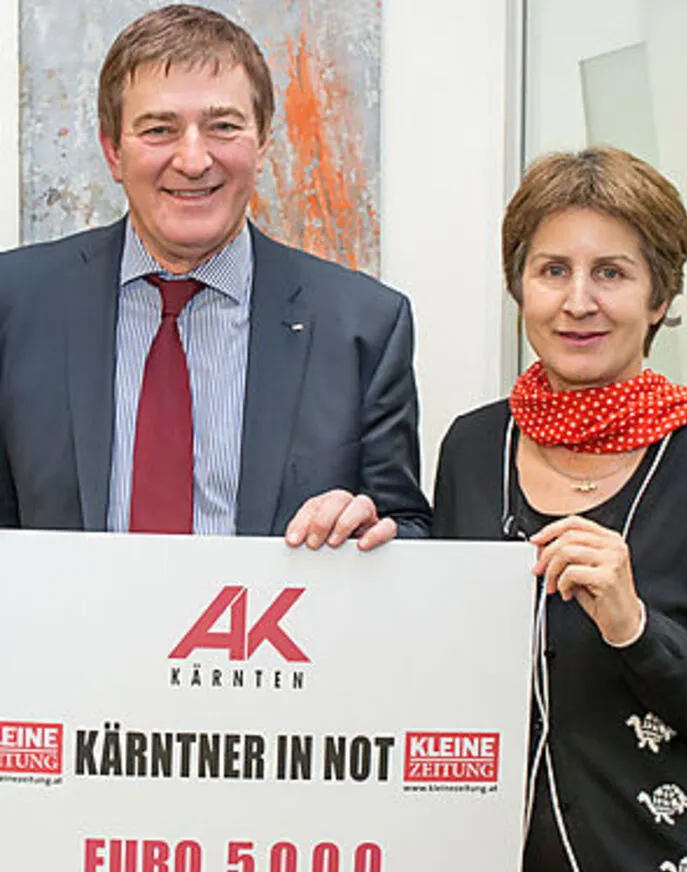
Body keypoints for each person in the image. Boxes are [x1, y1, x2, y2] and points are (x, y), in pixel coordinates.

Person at [0, 4, 430, 548]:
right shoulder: (15, 305)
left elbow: (406, 529)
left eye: (223, 126)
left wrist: (366, 535)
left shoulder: (364, 326)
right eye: (159, 129)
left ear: (263, 142)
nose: (193, 159)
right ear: (112, 152)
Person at [433, 146, 687, 872]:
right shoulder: (472, 447)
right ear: (519, 288)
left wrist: (634, 626)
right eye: (553, 270)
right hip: (480, 864)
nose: (578, 301)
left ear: (658, 298)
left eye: (610, 273)